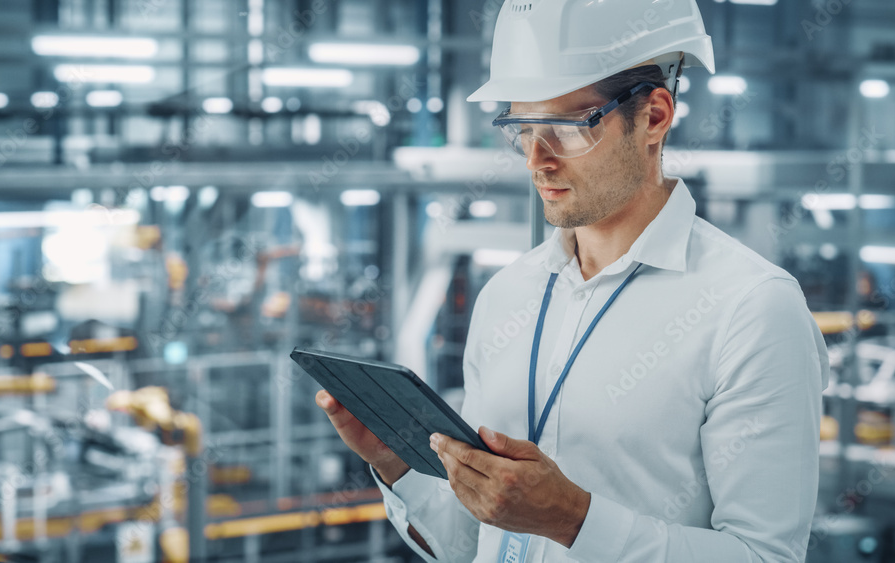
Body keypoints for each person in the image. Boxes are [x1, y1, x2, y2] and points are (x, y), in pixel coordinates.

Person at [317, 0, 830, 560]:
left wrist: (574, 520)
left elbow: (765, 555)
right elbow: (472, 545)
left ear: (654, 117)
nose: (538, 159)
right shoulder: (508, 295)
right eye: (522, 128)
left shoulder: (751, 309)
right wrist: (394, 463)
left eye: (567, 127)